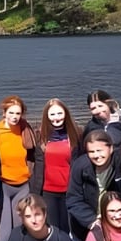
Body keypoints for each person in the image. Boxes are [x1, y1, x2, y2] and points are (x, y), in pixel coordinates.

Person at [66, 129, 121, 241]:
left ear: (110, 149)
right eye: (91, 152)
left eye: (100, 150)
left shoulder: (120, 163)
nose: (96, 155)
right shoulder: (80, 166)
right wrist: (92, 221)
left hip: (115, 219)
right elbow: (73, 199)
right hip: (86, 224)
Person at [31, 98, 80, 233]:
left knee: (68, 229)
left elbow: (78, 164)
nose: (56, 118)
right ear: (47, 116)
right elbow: (38, 167)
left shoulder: (75, 134)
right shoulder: (40, 135)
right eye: (52, 114)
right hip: (48, 191)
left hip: (69, 190)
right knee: (52, 229)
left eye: (59, 113)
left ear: (66, 114)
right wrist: (34, 195)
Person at [0, 95, 36, 231]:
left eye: (18, 113)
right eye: (11, 113)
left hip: (23, 184)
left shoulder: (25, 129)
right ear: (4, 113)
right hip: (3, 184)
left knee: (19, 228)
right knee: (5, 230)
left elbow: (34, 154)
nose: (15, 117)